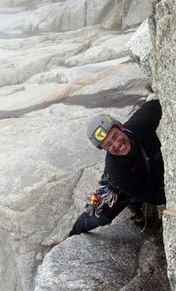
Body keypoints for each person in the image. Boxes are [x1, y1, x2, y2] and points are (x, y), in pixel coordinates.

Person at [69, 98, 165, 236]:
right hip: (121, 185)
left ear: (121, 127)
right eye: (108, 145)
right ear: (104, 149)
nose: (116, 144)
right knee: (100, 216)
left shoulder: (141, 123)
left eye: (115, 136)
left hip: (149, 166)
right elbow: (149, 194)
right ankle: (74, 233)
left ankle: (135, 206)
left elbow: (157, 105)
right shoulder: (116, 171)